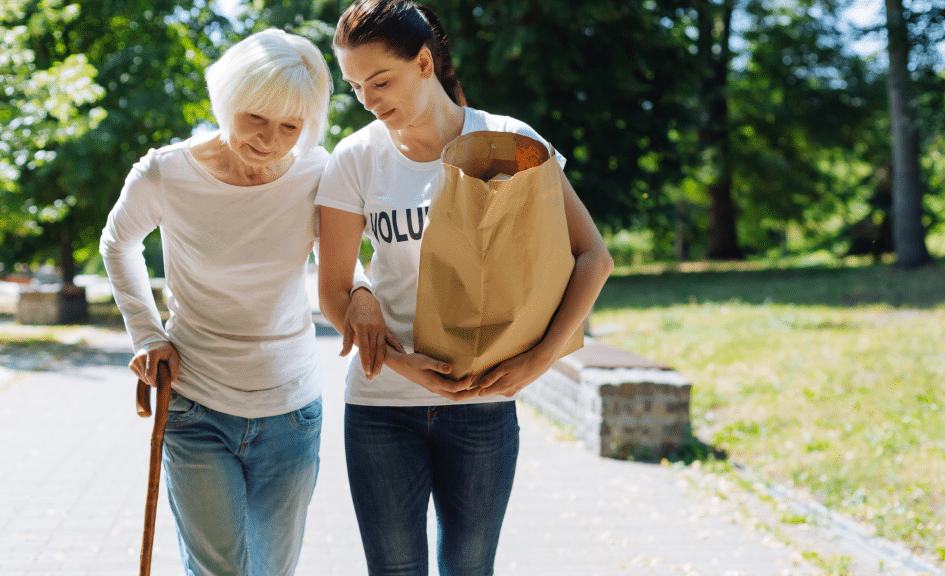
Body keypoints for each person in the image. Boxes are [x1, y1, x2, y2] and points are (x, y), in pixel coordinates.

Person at [314, 2, 615, 574]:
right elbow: (332, 288)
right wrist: (401, 362)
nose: (370, 101)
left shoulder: (509, 142)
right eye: (356, 88)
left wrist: (538, 362)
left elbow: (592, 257)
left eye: (381, 81)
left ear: (424, 62)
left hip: (484, 407)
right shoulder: (355, 159)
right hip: (382, 410)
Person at [99, 28, 389, 576]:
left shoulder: (316, 172)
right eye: (255, 117)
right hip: (195, 402)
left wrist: (365, 293)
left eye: (290, 126)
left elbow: (340, 260)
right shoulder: (166, 172)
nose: (270, 140)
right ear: (227, 100)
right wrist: (148, 333)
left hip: (291, 406)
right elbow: (118, 242)